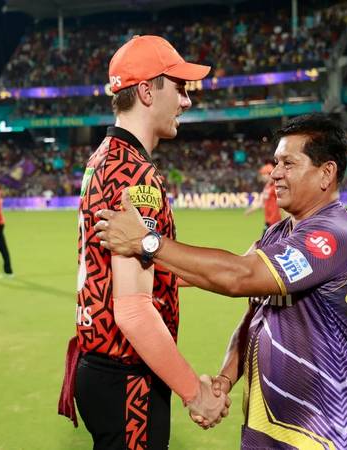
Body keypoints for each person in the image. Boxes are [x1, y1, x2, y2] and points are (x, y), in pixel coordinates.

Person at [95, 114, 347, 449]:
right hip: (266, 427)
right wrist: (225, 379)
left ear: (326, 173)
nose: (276, 174)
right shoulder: (278, 233)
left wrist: (146, 242)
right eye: (275, 162)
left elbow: (239, 276)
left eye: (288, 163)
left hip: (326, 431)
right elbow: (253, 316)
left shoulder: (335, 235)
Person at [57, 35, 229, 449]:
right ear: (148, 91)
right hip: (126, 377)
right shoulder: (133, 174)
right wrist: (195, 393)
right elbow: (134, 310)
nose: (187, 101)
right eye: (180, 87)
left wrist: (231, 278)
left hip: (102, 370)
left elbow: (139, 272)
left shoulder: (105, 157)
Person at [245, 163, 283, 234]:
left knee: (266, 242)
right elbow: (262, 203)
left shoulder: (276, 186)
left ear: (270, 174)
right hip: (268, 220)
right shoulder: (267, 187)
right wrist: (251, 210)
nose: (262, 176)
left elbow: (285, 202)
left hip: (274, 220)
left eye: (263, 174)